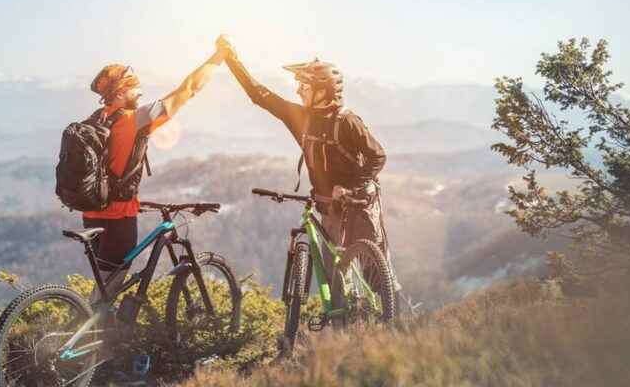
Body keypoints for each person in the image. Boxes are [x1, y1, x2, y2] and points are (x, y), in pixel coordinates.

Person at [217, 36, 401, 292]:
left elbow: (377, 156)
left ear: (322, 90)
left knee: (375, 276)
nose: (298, 91)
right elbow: (260, 95)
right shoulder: (301, 118)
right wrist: (231, 60)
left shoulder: (347, 122)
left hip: (359, 204)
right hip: (330, 207)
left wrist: (350, 189)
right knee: (334, 279)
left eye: (304, 86)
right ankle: (345, 328)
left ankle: (389, 325)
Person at [83, 39, 227, 302]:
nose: (139, 93)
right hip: (118, 218)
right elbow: (189, 89)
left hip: (91, 213)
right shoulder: (135, 120)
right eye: (133, 88)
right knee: (108, 291)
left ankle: (94, 331)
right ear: (119, 93)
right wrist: (217, 58)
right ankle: (89, 340)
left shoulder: (96, 119)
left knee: (105, 284)